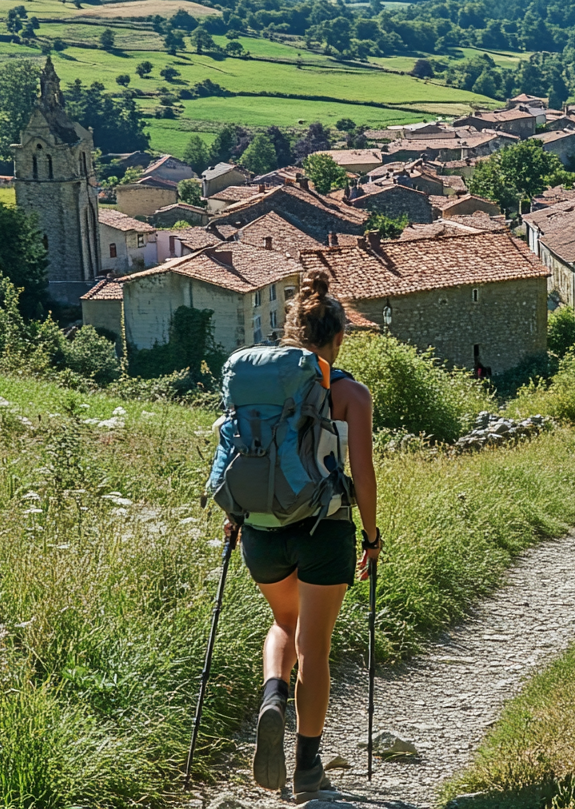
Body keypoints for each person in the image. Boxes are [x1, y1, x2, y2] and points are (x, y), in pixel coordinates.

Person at [226, 273, 380, 800]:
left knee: (282, 622)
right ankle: (307, 767)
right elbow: (364, 474)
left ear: (289, 334)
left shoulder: (253, 385)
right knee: (316, 646)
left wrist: (236, 514)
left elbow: (237, 453)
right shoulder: (349, 393)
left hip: (260, 530)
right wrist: (373, 536)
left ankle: (273, 696)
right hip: (323, 530)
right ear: (337, 339)